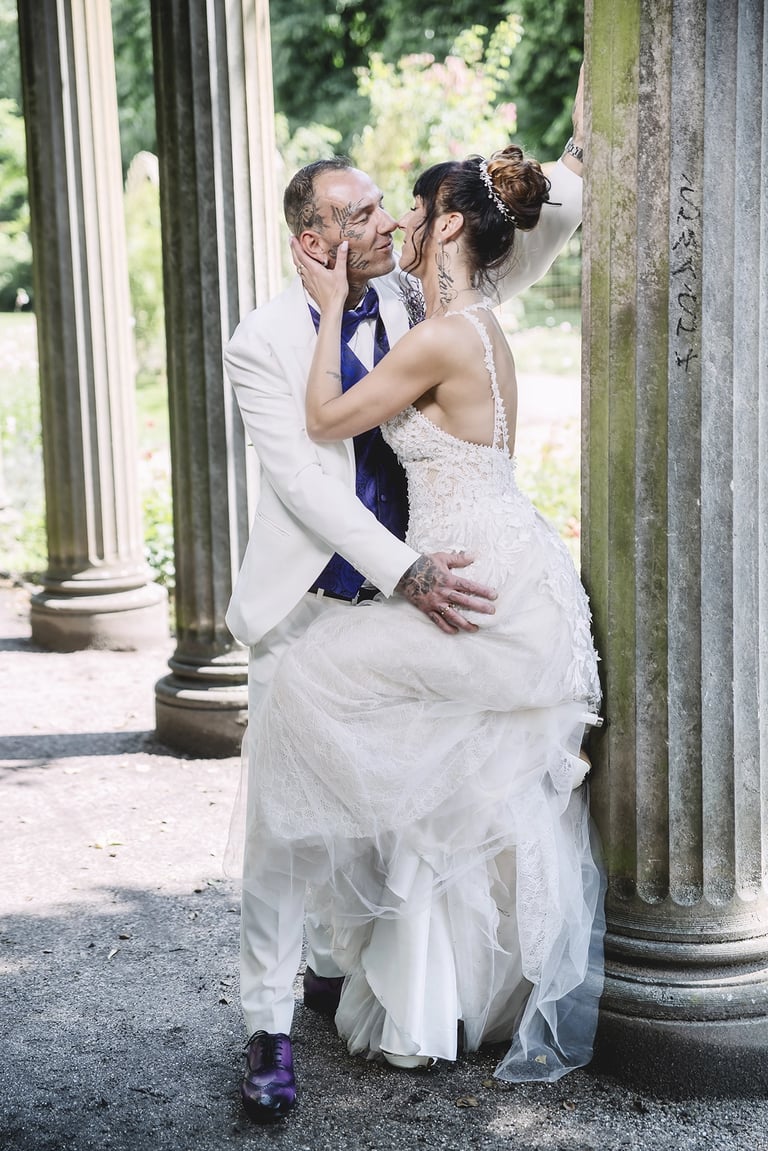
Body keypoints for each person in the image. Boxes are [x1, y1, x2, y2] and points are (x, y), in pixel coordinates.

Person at [224, 80, 587, 1124]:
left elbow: (541, 228)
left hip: (431, 591)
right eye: (364, 213)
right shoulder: (262, 341)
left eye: (397, 206)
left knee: (396, 807)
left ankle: (353, 966)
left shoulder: (426, 302)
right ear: (313, 235)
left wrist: (544, 170)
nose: (388, 222)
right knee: (285, 829)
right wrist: (407, 572)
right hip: (326, 597)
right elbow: (303, 475)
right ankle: (268, 1026)